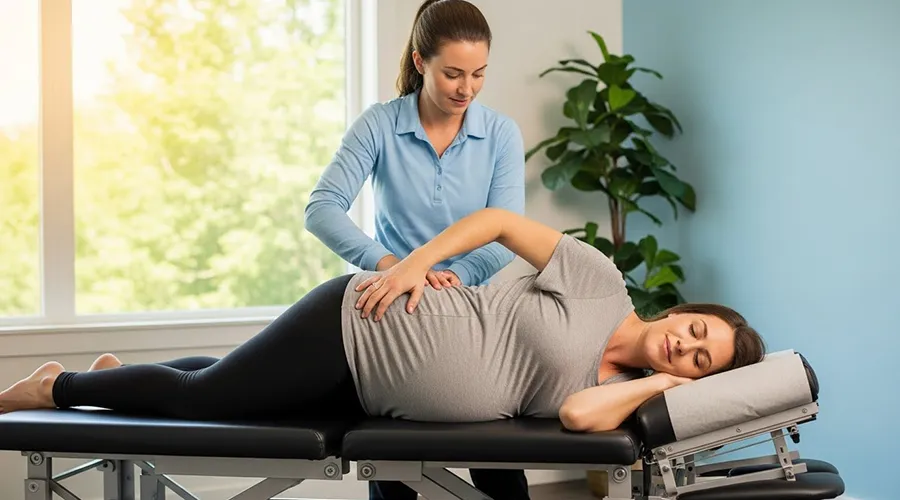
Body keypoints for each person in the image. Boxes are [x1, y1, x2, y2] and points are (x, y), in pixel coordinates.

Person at [0, 209, 766, 442]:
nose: (687, 347)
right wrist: (410, 267)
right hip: (365, 327)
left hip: (373, 390)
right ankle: (55, 386)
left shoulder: (620, 393)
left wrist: (660, 384)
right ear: (684, 311)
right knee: (205, 403)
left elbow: (574, 414)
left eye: (700, 362)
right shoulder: (601, 282)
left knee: (230, 388)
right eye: (698, 332)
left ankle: (112, 378)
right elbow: (499, 222)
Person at [303, 0, 527, 495]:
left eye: (478, 74)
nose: (466, 89)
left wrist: (457, 276)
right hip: (393, 312)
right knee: (390, 466)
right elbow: (321, 209)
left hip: (473, 316)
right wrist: (395, 267)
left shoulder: (500, 134)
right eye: (453, 74)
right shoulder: (379, 124)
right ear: (421, 62)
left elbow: (507, 235)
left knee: (500, 468)